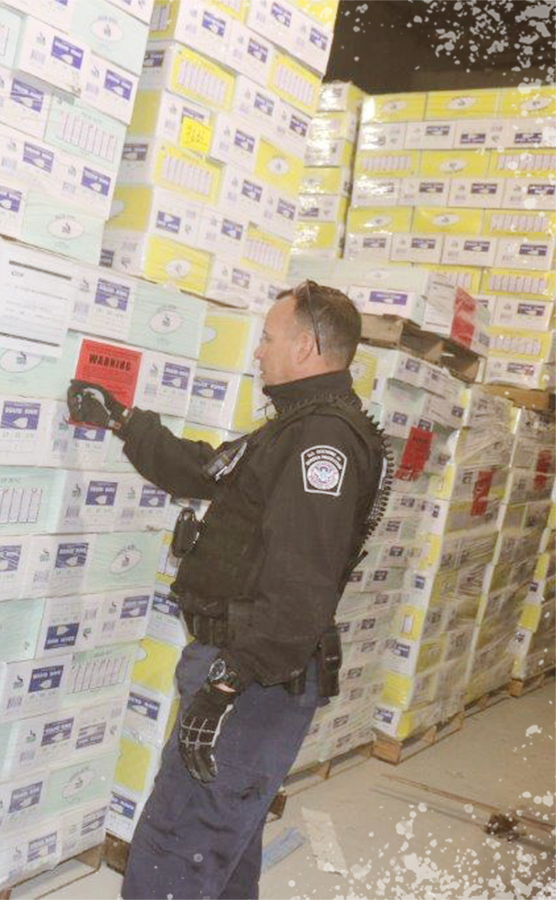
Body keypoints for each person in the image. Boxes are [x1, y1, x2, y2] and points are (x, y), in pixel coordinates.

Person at [68, 281, 389, 900]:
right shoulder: (293, 427)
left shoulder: (322, 442)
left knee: (174, 849)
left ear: (306, 345)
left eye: (268, 338)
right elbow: (204, 471)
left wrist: (227, 683)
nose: (258, 352)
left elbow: (302, 586)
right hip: (243, 672)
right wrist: (125, 422)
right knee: (221, 848)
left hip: (254, 680)